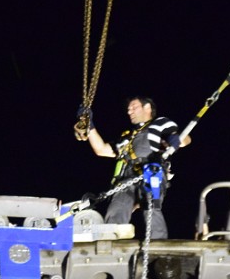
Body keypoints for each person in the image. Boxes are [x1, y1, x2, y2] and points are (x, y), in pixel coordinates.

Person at [76, 96, 190, 239]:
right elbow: (102, 150)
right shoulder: (127, 137)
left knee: (151, 207)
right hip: (127, 180)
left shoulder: (158, 126)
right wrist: (90, 126)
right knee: (117, 209)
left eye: (134, 107)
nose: (129, 111)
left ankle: (158, 243)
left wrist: (176, 140)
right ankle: (109, 243)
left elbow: (185, 139)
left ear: (147, 107)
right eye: (128, 109)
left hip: (150, 174)